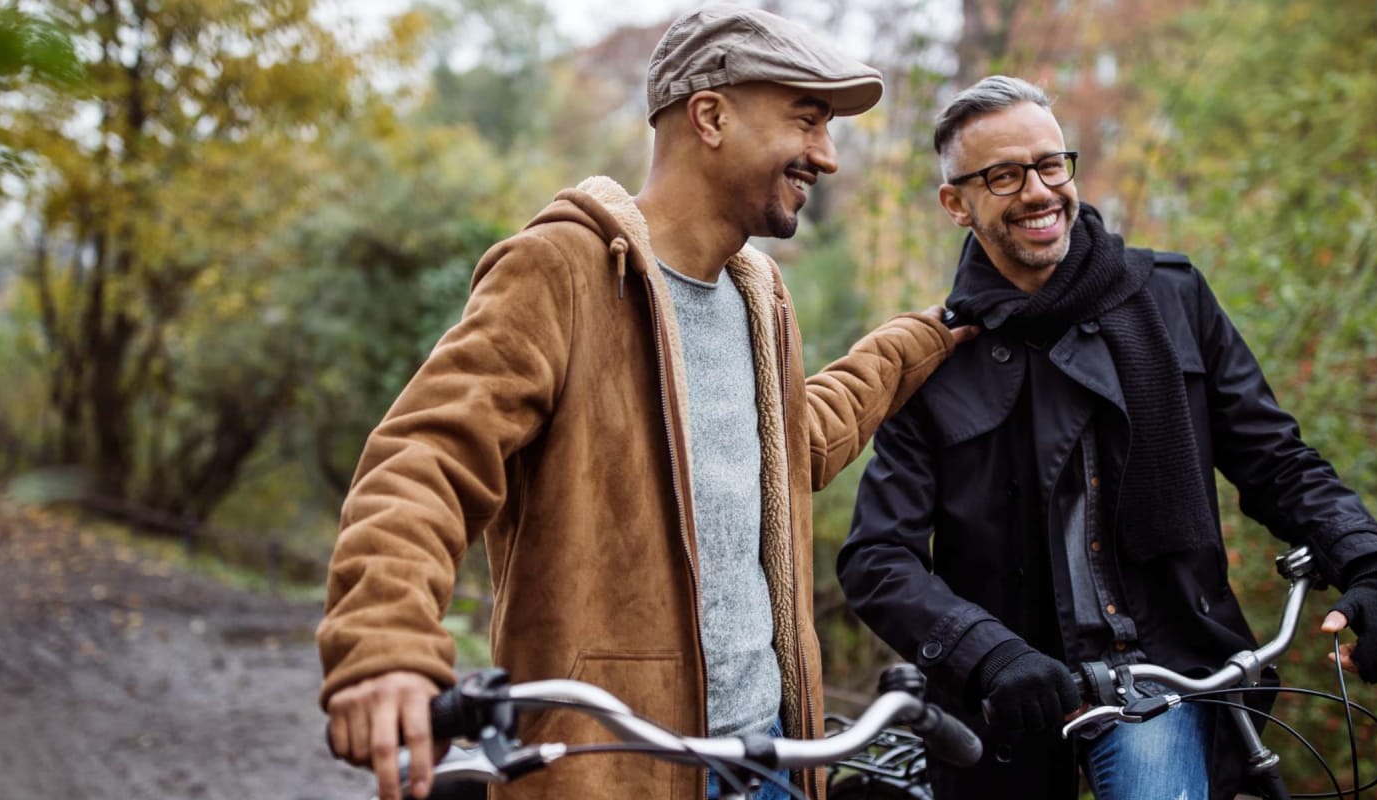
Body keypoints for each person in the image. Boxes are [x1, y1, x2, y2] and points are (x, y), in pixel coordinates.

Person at [316, 7, 973, 800]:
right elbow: (425, 460)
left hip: (770, 763)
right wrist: (383, 642)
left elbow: (791, 447)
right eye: (807, 120)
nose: (826, 156)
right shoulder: (563, 269)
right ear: (711, 115)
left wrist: (932, 331)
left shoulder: (759, 298)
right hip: (615, 772)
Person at [836, 75, 1377, 800]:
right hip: (1008, 699)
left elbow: (1274, 460)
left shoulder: (1171, 297)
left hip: (1163, 673)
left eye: (1051, 164)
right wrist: (985, 653)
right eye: (1003, 176)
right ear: (956, 203)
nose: (1039, 191)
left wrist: (1373, 563)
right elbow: (877, 558)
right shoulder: (933, 356)